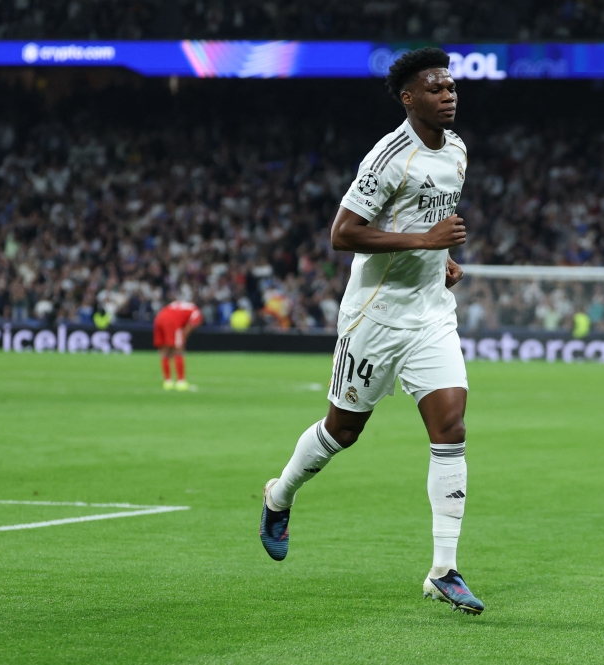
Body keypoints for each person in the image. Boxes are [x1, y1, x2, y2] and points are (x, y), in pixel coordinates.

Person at [258, 48, 483, 615]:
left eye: (451, 86)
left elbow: (425, 225)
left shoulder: (456, 150)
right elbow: (343, 234)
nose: (448, 95)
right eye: (435, 88)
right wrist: (426, 245)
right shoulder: (389, 156)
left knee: (451, 426)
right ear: (409, 98)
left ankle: (443, 569)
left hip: (431, 313)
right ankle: (280, 493)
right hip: (375, 319)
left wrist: (441, 263)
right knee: (343, 432)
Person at [153, 300, 202, 391]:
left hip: (160, 317)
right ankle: (181, 382)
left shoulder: (182, 305)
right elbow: (191, 325)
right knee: (178, 351)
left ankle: (168, 382)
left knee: (164, 351)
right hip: (172, 321)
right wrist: (183, 337)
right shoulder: (196, 311)